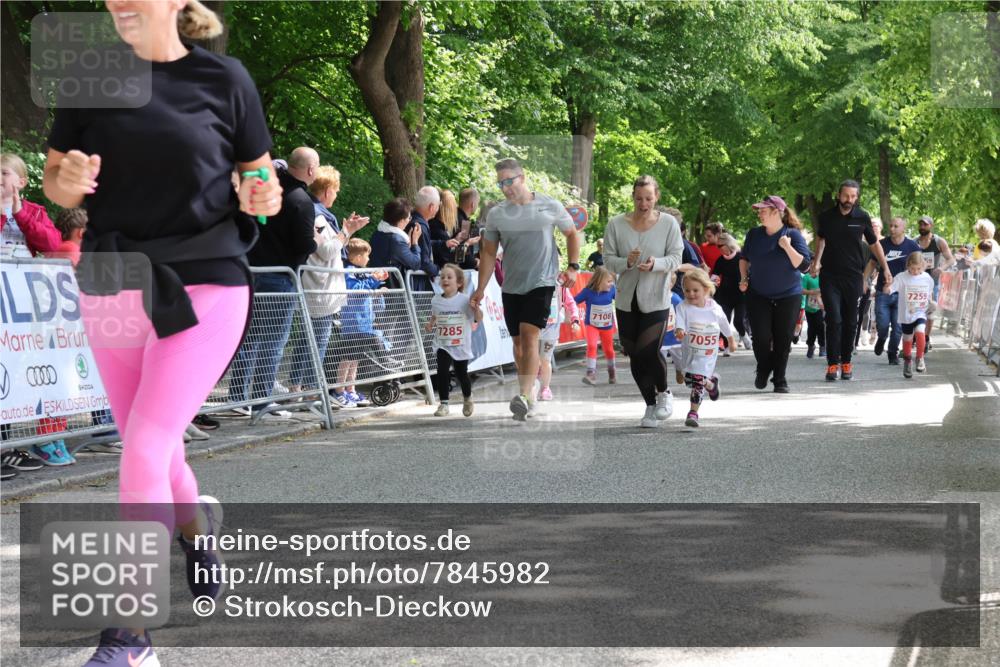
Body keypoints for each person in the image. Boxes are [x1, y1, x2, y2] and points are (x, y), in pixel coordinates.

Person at [42, 1, 282, 663]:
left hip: (206, 281)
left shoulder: (226, 79)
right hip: (112, 280)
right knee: (151, 443)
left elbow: (259, 177)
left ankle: (131, 636)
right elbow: (58, 185)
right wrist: (65, 181)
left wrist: (262, 193)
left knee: (146, 446)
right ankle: (197, 526)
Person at [470, 158, 581, 422]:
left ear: (522, 177)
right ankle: (529, 388)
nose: (506, 187)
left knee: (530, 336)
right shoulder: (497, 214)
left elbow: (571, 234)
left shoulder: (548, 205)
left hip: (542, 281)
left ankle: (523, 395)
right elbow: (488, 253)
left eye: (509, 181)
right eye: (501, 183)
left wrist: (573, 267)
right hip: (511, 285)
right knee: (518, 343)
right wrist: (481, 288)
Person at [229, 146, 320, 417]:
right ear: (311, 170)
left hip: (252, 272)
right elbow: (303, 244)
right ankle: (261, 401)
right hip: (281, 277)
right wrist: (315, 241)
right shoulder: (301, 201)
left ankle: (237, 398)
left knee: (249, 339)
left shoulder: (265, 190)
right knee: (272, 343)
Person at [604, 176, 684, 428]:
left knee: (647, 350)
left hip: (656, 297)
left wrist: (656, 264)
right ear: (633, 197)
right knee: (634, 354)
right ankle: (650, 404)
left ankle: (664, 392)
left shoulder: (668, 223)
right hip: (626, 299)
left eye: (648, 198)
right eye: (639, 198)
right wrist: (626, 262)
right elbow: (608, 259)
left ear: (656, 197)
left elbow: (676, 257)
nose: (643, 203)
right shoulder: (616, 224)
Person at [288, 166, 369, 400]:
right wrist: (346, 231)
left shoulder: (317, 214)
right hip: (320, 290)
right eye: (335, 190)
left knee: (308, 341)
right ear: (326, 191)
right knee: (316, 343)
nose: (337, 194)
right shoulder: (318, 216)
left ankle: (300, 389)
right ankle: (310, 392)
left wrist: (346, 232)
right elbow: (327, 251)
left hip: (319, 287)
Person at [810, 180, 892, 381]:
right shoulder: (826, 217)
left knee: (850, 321)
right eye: (846, 195)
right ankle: (832, 364)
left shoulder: (862, 216)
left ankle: (846, 361)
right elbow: (821, 240)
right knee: (834, 319)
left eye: (853, 196)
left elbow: (874, 244)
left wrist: (886, 268)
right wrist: (816, 262)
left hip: (853, 276)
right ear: (839, 195)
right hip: (830, 276)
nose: (850, 200)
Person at [739, 196, 812, 393]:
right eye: (759, 210)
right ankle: (763, 367)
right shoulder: (754, 234)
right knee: (760, 338)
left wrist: (787, 246)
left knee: (783, 339)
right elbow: (744, 259)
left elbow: (805, 267)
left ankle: (779, 379)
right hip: (758, 293)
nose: (759, 214)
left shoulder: (792, 235)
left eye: (763, 210)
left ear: (776, 212)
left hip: (788, 295)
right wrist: (744, 278)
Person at [334, 239, 394, 407]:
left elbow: (368, 288)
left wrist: (378, 282)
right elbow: (355, 290)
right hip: (352, 324)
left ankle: (351, 389)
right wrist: (374, 280)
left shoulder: (361, 271)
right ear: (358, 257)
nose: (369, 259)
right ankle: (339, 391)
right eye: (367, 256)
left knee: (356, 360)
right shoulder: (349, 271)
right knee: (347, 359)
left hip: (364, 324)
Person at [674, 269, 735, 428]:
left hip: (707, 352)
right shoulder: (682, 307)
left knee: (697, 380)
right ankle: (711, 384)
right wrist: (680, 331)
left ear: (706, 289)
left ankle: (693, 413)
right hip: (690, 350)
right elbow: (679, 323)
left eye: (695, 290)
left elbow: (724, 323)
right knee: (690, 379)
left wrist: (730, 339)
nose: (691, 294)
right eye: (687, 290)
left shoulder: (713, 307)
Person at [426, 263, 482, 416]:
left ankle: (468, 398)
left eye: (449, 277)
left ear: (459, 283)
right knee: (442, 371)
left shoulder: (464, 300)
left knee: (461, 373)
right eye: (442, 277)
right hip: (442, 343)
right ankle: (444, 404)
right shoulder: (436, 300)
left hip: (460, 344)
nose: (445, 279)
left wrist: (476, 308)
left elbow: (478, 318)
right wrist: (430, 324)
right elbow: (435, 315)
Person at [866, 216, 921, 366]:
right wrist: (864, 280)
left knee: (898, 328)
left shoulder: (912, 246)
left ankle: (892, 353)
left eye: (896, 226)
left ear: (904, 228)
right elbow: (872, 263)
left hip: (903, 294)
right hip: (883, 291)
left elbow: (920, 267)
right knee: (883, 324)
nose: (892, 229)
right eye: (890, 226)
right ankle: (882, 338)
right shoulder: (882, 244)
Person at [1, 153, 61, 257]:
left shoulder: (34, 211)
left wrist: (22, 216)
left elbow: (54, 247)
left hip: (22, 267)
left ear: (21, 183)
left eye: (4, 173)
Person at [888, 252, 935, 378]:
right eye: (913, 268)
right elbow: (890, 289)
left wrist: (931, 303)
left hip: (920, 311)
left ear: (923, 266)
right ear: (908, 265)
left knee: (920, 331)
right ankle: (907, 361)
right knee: (907, 338)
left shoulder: (927, 278)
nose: (915, 271)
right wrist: (887, 286)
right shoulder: (901, 277)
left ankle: (920, 357)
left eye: (918, 269)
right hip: (906, 314)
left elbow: (929, 293)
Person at [914, 215, 955, 352]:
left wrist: (941, 268)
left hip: (933, 282)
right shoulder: (914, 242)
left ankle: (926, 337)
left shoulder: (938, 241)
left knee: (930, 310)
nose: (922, 227)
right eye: (920, 224)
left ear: (931, 226)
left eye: (925, 224)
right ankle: (916, 335)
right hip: (916, 281)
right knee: (915, 309)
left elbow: (951, 259)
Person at [575, 266, 618, 385]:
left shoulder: (612, 290)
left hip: (607, 326)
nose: (611, 284)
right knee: (592, 345)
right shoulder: (588, 292)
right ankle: (591, 373)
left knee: (608, 350)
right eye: (609, 281)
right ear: (599, 281)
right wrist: (569, 312)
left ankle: (612, 371)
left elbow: (622, 301)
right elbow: (574, 301)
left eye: (612, 281)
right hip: (591, 325)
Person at [537, 283, 580, 401]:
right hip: (534, 327)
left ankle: (545, 388)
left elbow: (571, 303)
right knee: (534, 359)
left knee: (545, 360)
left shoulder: (560, 286)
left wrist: (575, 320)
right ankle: (533, 384)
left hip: (551, 329)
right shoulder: (534, 279)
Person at [710, 233, 752, 351]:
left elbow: (749, 273)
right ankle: (727, 346)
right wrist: (710, 287)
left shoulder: (741, 257)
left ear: (728, 244)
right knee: (725, 321)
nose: (718, 248)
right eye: (717, 246)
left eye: (720, 246)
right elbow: (714, 276)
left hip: (741, 295)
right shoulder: (720, 260)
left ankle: (744, 335)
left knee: (738, 321)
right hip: (724, 295)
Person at [408, 186, 442, 291]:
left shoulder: (410, 219)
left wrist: (444, 244)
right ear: (431, 207)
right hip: (417, 284)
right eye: (437, 206)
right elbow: (424, 260)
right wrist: (437, 270)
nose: (437, 209)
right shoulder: (420, 226)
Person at [455, 187, 481, 270]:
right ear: (472, 204)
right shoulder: (464, 224)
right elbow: (464, 256)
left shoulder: (454, 217)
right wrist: (476, 262)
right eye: (477, 203)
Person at [801, 270, 825, 359]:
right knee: (811, 327)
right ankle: (811, 346)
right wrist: (812, 292)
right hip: (810, 307)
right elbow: (802, 290)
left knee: (820, 326)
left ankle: (822, 346)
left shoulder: (823, 275)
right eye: (812, 264)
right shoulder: (806, 277)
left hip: (821, 306)